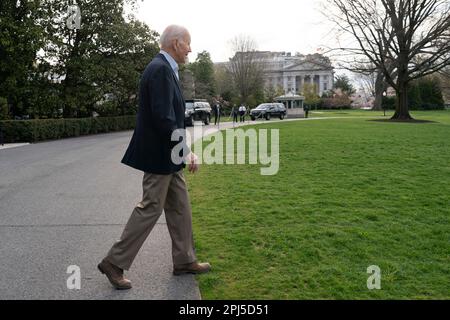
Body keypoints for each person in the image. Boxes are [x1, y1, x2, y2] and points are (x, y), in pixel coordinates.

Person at [98, 25, 210, 290]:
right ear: (175, 43)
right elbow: (163, 118)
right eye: (188, 44)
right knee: (150, 207)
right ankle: (114, 262)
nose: (190, 50)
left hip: (169, 156)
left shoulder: (165, 68)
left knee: (180, 207)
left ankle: (184, 260)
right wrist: (186, 150)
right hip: (161, 155)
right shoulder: (159, 69)